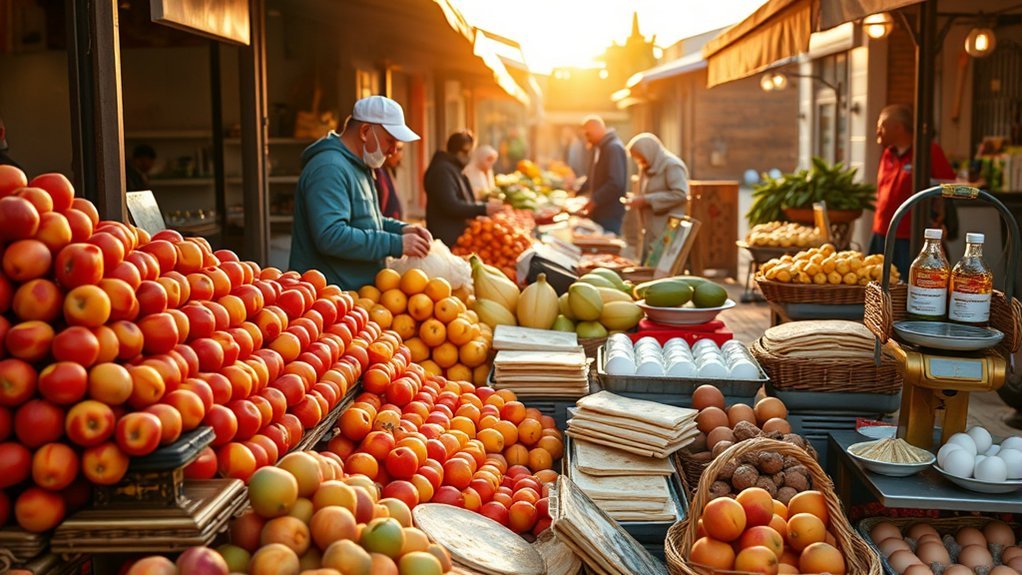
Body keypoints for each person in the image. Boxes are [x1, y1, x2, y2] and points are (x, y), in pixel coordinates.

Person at [289, 95, 432, 290]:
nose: (393, 151)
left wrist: (402, 229)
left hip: (357, 297)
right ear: (365, 131)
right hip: (330, 300)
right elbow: (332, 236)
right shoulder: (329, 168)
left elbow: (368, 222)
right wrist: (396, 244)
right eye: (390, 141)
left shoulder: (360, 166)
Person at [869, 104, 955, 275]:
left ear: (898, 127)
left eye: (881, 127)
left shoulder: (928, 150)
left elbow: (948, 187)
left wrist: (939, 220)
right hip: (882, 232)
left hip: (911, 237)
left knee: (907, 289)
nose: (877, 132)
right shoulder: (888, 153)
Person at [424, 131, 502, 246]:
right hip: (446, 238)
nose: (471, 156)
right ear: (462, 151)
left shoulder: (453, 169)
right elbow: (450, 205)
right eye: (469, 152)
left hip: (456, 236)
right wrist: (482, 208)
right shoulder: (442, 171)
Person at [625, 133, 690, 260]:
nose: (639, 161)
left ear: (648, 151)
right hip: (649, 228)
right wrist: (635, 198)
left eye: (640, 156)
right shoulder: (646, 167)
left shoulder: (672, 166)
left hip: (668, 228)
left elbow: (681, 194)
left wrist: (647, 200)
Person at [578, 115, 627, 234]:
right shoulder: (600, 148)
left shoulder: (613, 148)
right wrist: (578, 191)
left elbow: (615, 183)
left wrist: (594, 201)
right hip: (601, 213)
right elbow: (592, 177)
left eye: (588, 134)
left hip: (609, 214)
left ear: (597, 129)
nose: (587, 138)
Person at [374, 141, 403, 219]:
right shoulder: (378, 174)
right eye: (398, 149)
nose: (398, 154)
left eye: (400, 149)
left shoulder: (390, 171)